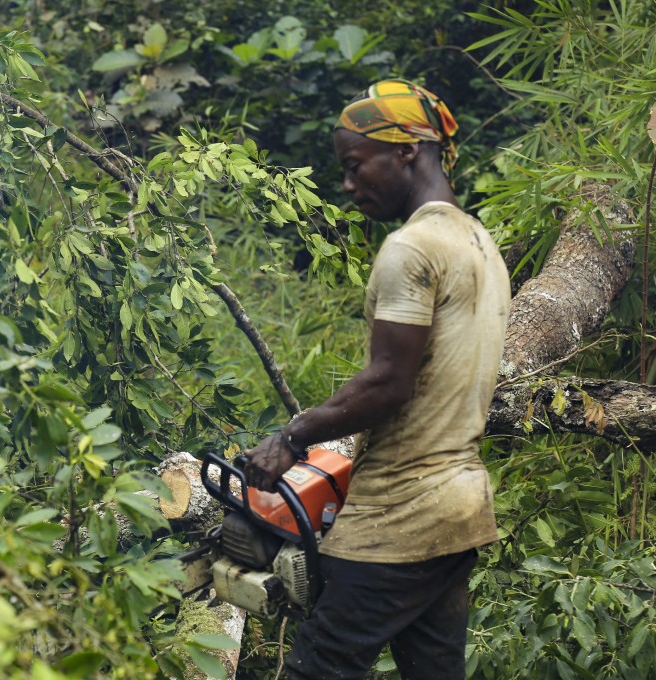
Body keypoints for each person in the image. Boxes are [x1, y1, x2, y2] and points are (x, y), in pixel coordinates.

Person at [243, 80, 511, 679]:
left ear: (407, 151)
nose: (346, 184)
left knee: (320, 668)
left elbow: (390, 381)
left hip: (402, 516)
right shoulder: (479, 244)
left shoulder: (411, 248)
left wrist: (293, 436)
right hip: (459, 508)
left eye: (355, 165)